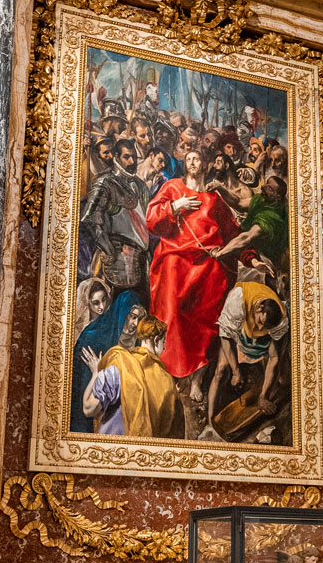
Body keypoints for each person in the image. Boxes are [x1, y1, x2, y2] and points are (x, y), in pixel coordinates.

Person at [145, 148, 239, 386]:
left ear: (205, 164)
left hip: (207, 264)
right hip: (175, 259)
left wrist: (251, 258)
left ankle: (197, 377)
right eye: (188, 159)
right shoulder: (173, 188)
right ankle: (171, 371)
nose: (192, 162)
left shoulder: (214, 199)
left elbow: (232, 233)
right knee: (174, 311)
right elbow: (151, 218)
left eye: (197, 158)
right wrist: (176, 206)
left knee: (208, 315)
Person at [81, 312, 183, 437]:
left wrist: (96, 373)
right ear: (156, 340)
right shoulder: (167, 381)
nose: (164, 347)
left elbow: (88, 409)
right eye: (164, 342)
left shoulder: (119, 365)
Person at [205, 281, 289, 434]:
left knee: (278, 372)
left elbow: (274, 358)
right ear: (259, 308)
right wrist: (236, 371)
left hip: (253, 331)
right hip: (238, 328)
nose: (260, 329)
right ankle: (210, 423)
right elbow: (225, 337)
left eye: (266, 327)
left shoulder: (280, 316)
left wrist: (263, 397)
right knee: (222, 370)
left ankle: (266, 391)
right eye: (260, 322)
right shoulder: (237, 301)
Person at [79, 136, 151, 292]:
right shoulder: (105, 182)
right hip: (116, 260)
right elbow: (90, 219)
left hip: (140, 258)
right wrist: (109, 250)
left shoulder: (141, 185)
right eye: (126, 157)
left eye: (133, 157)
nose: (131, 162)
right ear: (117, 157)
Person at [69, 289, 144, 432]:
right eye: (132, 316)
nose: (135, 323)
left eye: (139, 319)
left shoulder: (136, 342)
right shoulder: (93, 337)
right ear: (122, 312)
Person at [213, 174, 289, 274]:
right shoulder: (263, 198)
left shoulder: (270, 217)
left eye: (269, 188)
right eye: (266, 184)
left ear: (277, 197)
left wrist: (220, 254)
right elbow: (239, 203)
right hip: (248, 248)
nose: (263, 187)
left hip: (262, 258)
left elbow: (246, 238)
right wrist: (220, 188)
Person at [74, 277, 112, 342]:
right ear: (87, 302)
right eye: (96, 303)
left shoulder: (110, 322)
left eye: (104, 300)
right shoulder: (79, 328)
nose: (102, 306)